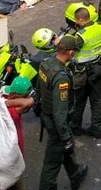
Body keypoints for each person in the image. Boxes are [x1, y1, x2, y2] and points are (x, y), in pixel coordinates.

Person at [37, 35, 89, 190]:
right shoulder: (61, 78)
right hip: (56, 123)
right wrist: (65, 136)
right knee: (52, 162)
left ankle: (75, 173)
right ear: (71, 53)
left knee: (65, 149)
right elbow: (60, 113)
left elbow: (38, 89)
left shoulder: (45, 64)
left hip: (46, 116)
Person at [69, 6, 101, 139]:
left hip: (83, 72)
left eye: (76, 20)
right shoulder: (100, 27)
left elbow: (71, 51)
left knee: (80, 101)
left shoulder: (81, 35)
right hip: (98, 67)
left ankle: (76, 128)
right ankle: (96, 129)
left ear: (80, 19)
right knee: (96, 100)